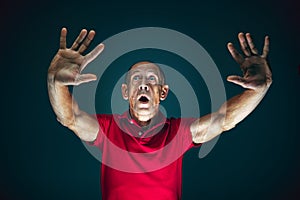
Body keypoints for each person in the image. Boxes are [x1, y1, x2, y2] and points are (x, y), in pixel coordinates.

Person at [47, 28, 272, 200]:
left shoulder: (178, 132)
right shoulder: (108, 129)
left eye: (151, 79)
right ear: (125, 92)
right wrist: (55, 81)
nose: (144, 84)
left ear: (163, 92)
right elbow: (70, 117)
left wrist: (259, 89)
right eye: (136, 79)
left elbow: (224, 120)